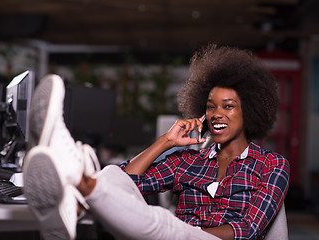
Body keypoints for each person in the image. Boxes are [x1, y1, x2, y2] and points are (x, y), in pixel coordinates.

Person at [23, 44, 289, 240]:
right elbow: (127, 181)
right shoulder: (188, 161)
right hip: (173, 234)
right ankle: (77, 187)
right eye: (210, 107)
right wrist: (165, 142)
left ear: (250, 110)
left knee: (164, 223)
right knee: (113, 175)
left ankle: (75, 178)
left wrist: (188, 233)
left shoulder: (272, 165)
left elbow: (249, 229)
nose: (217, 114)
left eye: (228, 106)